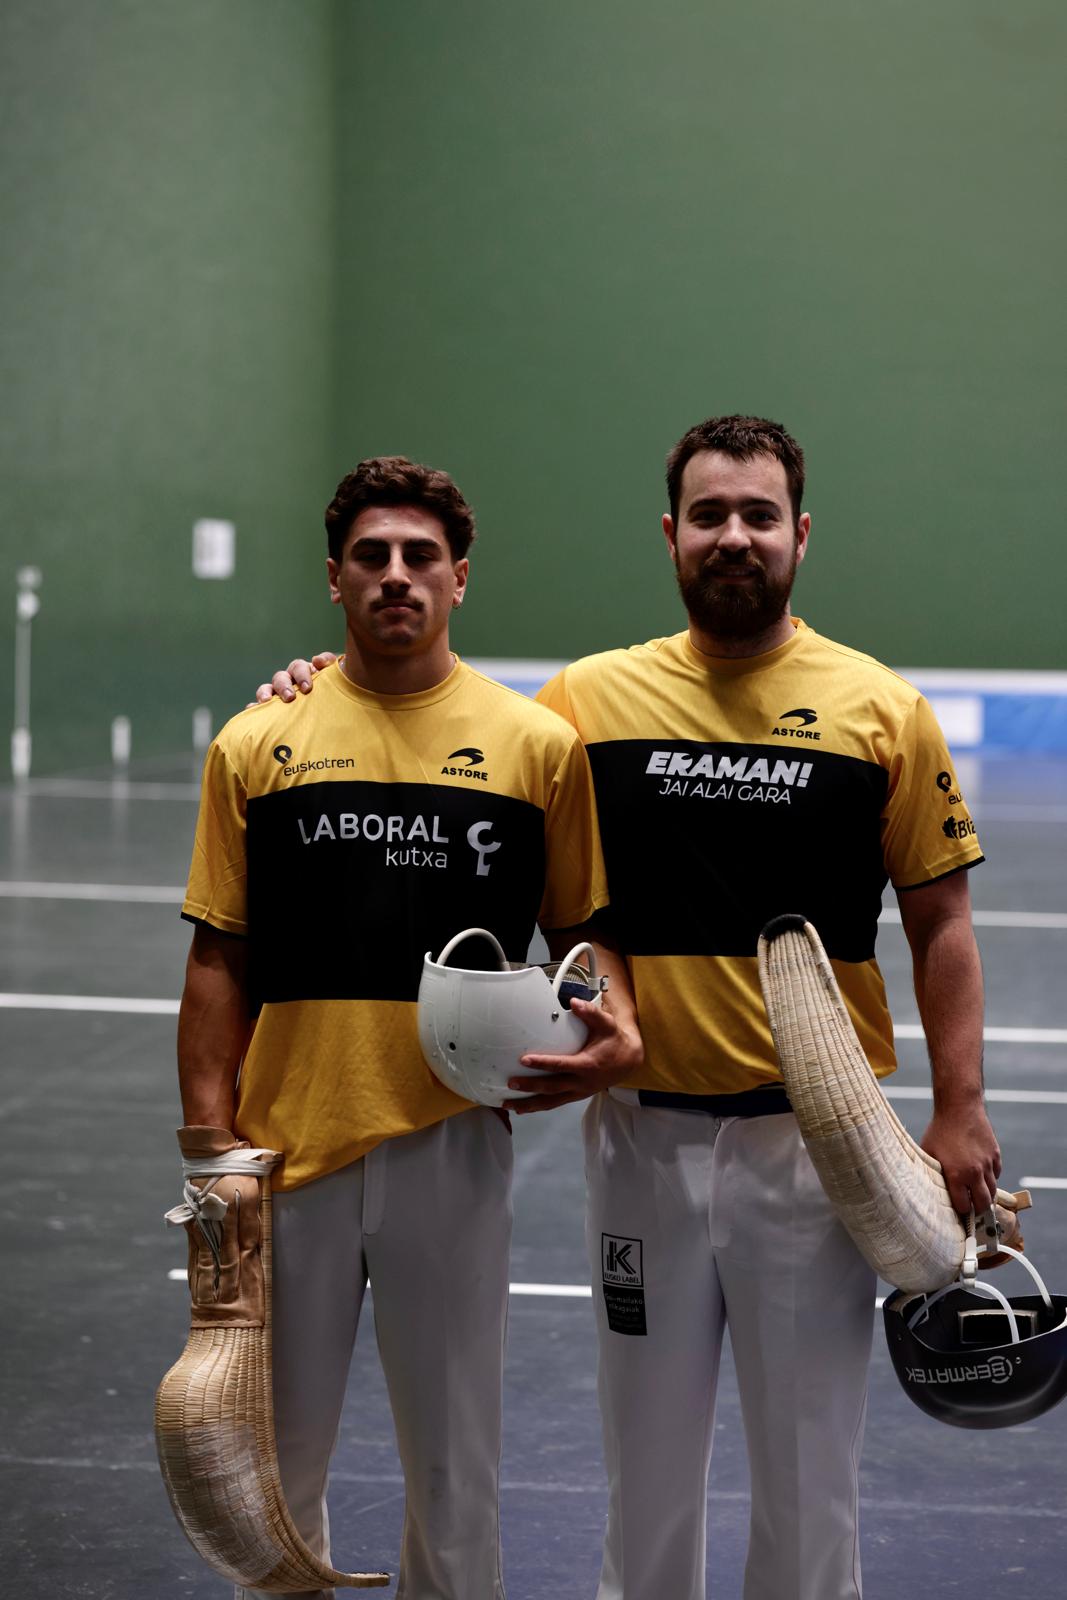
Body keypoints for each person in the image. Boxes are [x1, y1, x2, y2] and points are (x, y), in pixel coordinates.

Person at [260, 417, 1001, 1600]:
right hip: (639, 1147)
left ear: (799, 534)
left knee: (810, 1479)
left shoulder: (880, 710)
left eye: (757, 515)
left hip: (814, 1151)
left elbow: (941, 922)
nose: (732, 536)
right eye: (707, 515)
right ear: (669, 535)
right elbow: (430, 719)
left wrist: (958, 1108)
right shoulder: (584, 703)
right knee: (642, 1474)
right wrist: (312, 684)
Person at [180, 455, 641, 1600]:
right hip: (281, 1155)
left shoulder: (534, 746)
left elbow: (581, 932)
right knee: (271, 1469)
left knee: (455, 1467)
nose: (396, 575)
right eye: (371, 556)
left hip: (452, 1141)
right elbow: (219, 954)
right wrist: (209, 1151)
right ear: (333, 577)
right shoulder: (256, 742)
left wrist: (613, 1026)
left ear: (459, 577)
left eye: (420, 556)